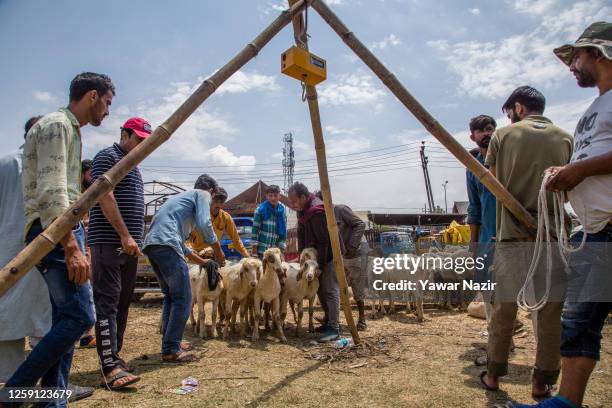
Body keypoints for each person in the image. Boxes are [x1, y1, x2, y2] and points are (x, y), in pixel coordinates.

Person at [512, 21, 612, 408]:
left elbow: (590, 164)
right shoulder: (594, 108)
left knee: (581, 321)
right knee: (579, 324)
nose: (571, 64)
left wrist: (580, 171)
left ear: (599, 53)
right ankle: (566, 402)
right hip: (594, 232)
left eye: (577, 56)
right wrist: (566, 174)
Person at [4, 72, 115, 406]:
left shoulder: (69, 129)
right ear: (92, 96)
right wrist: (70, 246)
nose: (108, 112)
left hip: (60, 228)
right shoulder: (57, 125)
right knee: (81, 318)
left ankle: (52, 401)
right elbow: (53, 191)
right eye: (107, 103)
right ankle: (13, 392)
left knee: (63, 319)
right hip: (54, 231)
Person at [480, 86, 573, 397]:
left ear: (518, 108)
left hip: (512, 238)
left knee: (504, 309)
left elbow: (492, 183)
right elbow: (569, 187)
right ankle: (541, 381)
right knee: (550, 314)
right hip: (553, 237)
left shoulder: (503, 137)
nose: (508, 117)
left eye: (509, 112)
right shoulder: (564, 137)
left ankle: (493, 376)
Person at [88, 118, 151, 389]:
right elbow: (105, 197)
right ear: (124, 134)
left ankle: (116, 356)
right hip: (108, 243)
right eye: (137, 139)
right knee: (108, 304)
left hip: (129, 248)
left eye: (145, 143)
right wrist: (124, 234)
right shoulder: (108, 157)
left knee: (123, 303)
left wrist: (133, 239)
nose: (141, 146)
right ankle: (108, 366)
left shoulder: (134, 167)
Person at [142, 174, 225, 363]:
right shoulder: (202, 194)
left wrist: (204, 262)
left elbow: (183, 246)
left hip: (153, 245)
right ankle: (171, 349)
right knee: (184, 298)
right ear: (211, 191)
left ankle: (170, 342)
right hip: (167, 245)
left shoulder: (180, 202)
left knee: (171, 296)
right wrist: (218, 250)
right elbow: (205, 223)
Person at [0, 116, 52, 382]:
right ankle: (14, 390)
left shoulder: (50, 170)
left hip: (38, 257)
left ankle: (34, 386)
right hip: (13, 254)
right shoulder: (9, 164)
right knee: (10, 324)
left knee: (41, 322)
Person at [288, 182, 342, 343]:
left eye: (294, 201)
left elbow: (324, 242)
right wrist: (302, 260)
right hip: (314, 259)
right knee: (318, 290)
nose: (292, 204)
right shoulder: (303, 212)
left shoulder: (316, 211)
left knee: (330, 289)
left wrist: (321, 267)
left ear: (303, 198)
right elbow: (302, 238)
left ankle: (334, 327)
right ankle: (327, 322)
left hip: (329, 256)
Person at [315, 191, 367, 330]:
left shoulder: (341, 210)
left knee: (357, 286)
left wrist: (352, 245)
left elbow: (360, 224)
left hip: (356, 253)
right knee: (332, 287)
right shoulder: (323, 216)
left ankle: (362, 319)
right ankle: (329, 319)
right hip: (340, 255)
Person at [190, 187, 249, 258]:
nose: (218, 205)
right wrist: (191, 253)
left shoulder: (226, 217)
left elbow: (236, 240)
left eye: (221, 202)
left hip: (214, 256)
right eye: (216, 201)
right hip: (196, 256)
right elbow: (186, 238)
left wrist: (248, 257)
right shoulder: (198, 215)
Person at [79, 159, 96, 349]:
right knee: (84, 293)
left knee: (86, 293)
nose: (93, 179)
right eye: (91, 174)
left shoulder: (88, 197)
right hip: (76, 250)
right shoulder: (76, 196)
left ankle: (86, 334)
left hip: (84, 249)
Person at [251, 184, 287, 258]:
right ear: (266, 196)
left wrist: (281, 252)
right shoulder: (260, 210)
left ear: (279, 196)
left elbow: (283, 235)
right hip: (261, 252)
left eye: (275, 195)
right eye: (270, 196)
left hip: (275, 253)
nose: (273, 198)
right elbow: (255, 232)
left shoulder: (282, 212)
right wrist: (254, 251)